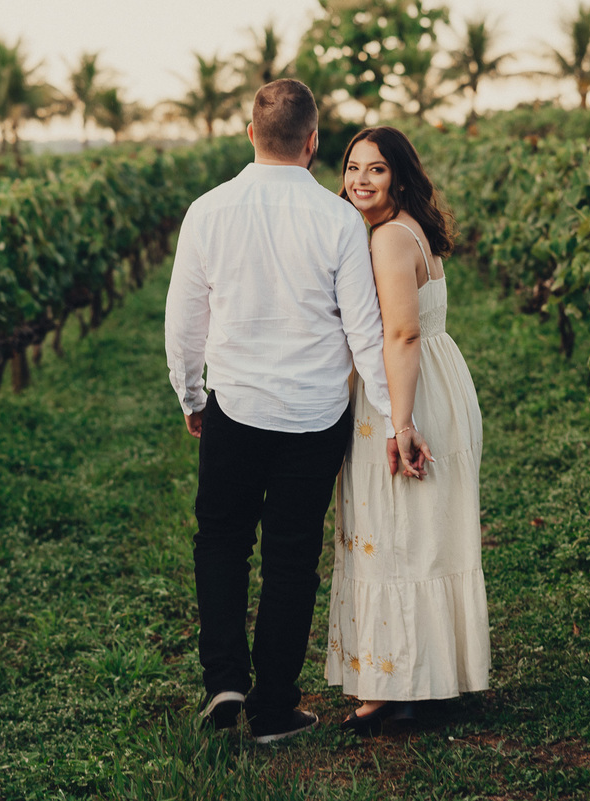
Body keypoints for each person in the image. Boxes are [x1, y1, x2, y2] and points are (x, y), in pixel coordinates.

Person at [165, 81, 431, 744]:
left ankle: (224, 678)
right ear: (313, 142)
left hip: (237, 405)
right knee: (291, 555)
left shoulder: (207, 210)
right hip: (315, 416)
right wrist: (398, 418)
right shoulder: (337, 219)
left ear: (249, 134)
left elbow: (184, 319)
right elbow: (366, 332)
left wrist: (191, 395)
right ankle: (274, 704)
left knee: (221, 539)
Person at [325, 126, 490, 735]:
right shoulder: (410, 229)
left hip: (406, 391)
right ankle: (421, 677)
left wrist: (400, 423)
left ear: (399, 176)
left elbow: (401, 334)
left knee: (394, 531)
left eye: (376, 170)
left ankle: (396, 688)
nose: (361, 181)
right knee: (422, 530)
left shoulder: (390, 240)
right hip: (436, 381)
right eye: (352, 168)